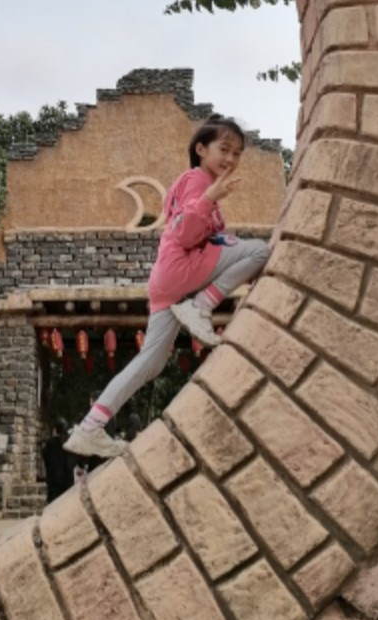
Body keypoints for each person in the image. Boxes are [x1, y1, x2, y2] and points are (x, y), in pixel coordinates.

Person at [64, 114, 270, 458]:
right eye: (224, 149)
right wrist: (209, 198)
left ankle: (89, 428)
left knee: (151, 362)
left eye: (237, 153)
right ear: (201, 149)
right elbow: (187, 234)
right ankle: (201, 306)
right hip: (182, 268)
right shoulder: (197, 179)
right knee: (260, 250)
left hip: (167, 280)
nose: (231, 159)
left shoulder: (192, 183)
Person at [41, 417, 74, 503]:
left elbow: (45, 457)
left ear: (55, 430)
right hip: (67, 482)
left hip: (54, 483)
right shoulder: (68, 443)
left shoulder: (50, 444)